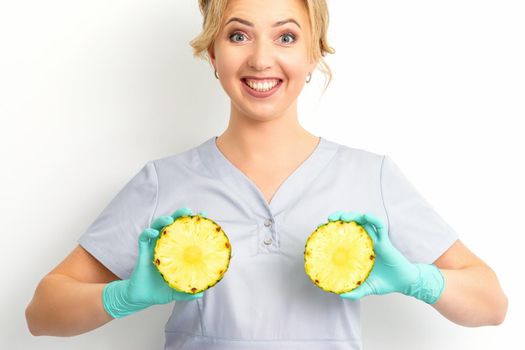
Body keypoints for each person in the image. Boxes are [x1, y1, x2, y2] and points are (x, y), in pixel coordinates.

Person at [25, 0, 508, 349]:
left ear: (313, 53)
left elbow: (491, 304)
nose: (260, 59)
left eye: (286, 36)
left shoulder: (371, 175)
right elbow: (42, 313)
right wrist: (123, 297)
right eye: (238, 35)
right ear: (212, 54)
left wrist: (418, 280)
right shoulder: (162, 181)